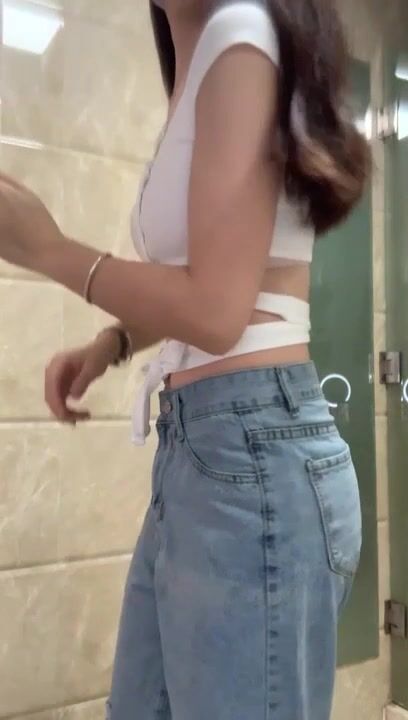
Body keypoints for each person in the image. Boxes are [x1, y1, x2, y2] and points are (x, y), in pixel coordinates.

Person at [0, 0, 371, 718]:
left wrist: (48, 250)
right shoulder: (205, 59)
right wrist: (114, 343)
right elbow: (220, 278)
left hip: (249, 454)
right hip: (213, 453)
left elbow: (217, 312)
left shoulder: (241, 33)